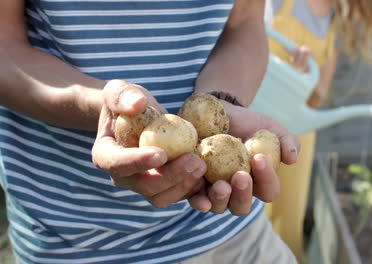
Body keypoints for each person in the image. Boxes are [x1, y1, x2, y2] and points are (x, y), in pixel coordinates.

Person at [0, 0, 301, 263]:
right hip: (76, 239)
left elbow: (245, 22)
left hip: (227, 230)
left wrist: (220, 101)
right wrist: (105, 105)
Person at [264, 0, 372, 262]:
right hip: (253, 122)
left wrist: (303, 79)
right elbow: (242, 46)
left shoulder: (332, 23)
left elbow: (316, 99)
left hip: (296, 138)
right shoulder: (280, 4)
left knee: (286, 220)